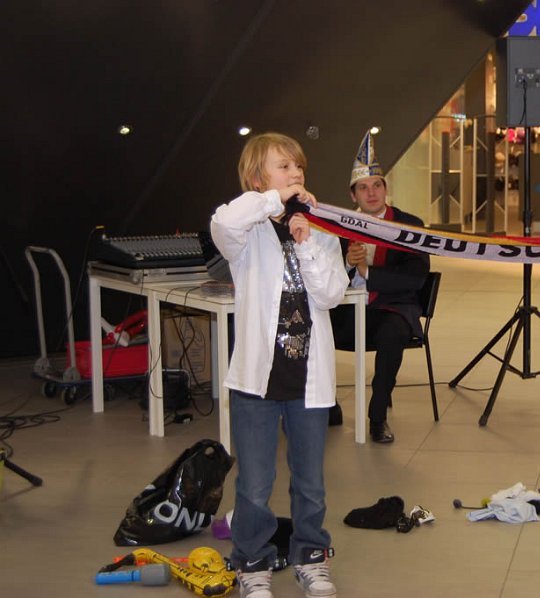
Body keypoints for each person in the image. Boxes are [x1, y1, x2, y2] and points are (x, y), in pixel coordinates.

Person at [211, 132, 348, 598]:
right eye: (283, 167)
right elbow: (223, 221)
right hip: (257, 381)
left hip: (308, 379)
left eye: (298, 167)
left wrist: (307, 243)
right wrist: (273, 202)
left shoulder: (320, 229)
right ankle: (251, 562)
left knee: (310, 482)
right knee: (254, 483)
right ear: (258, 179)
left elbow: (331, 294)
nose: (295, 174)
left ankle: (312, 556)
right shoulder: (246, 233)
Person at [329, 132, 430, 444]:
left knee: (392, 334)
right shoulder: (339, 227)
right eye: (363, 188)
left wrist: (366, 271)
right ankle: (327, 405)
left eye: (377, 186)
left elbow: (415, 278)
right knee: (310, 326)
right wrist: (347, 264)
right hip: (347, 309)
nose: (371, 193)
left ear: (386, 189)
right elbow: (322, 274)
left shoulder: (409, 225)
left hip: (392, 307)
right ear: (353, 196)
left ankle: (377, 418)